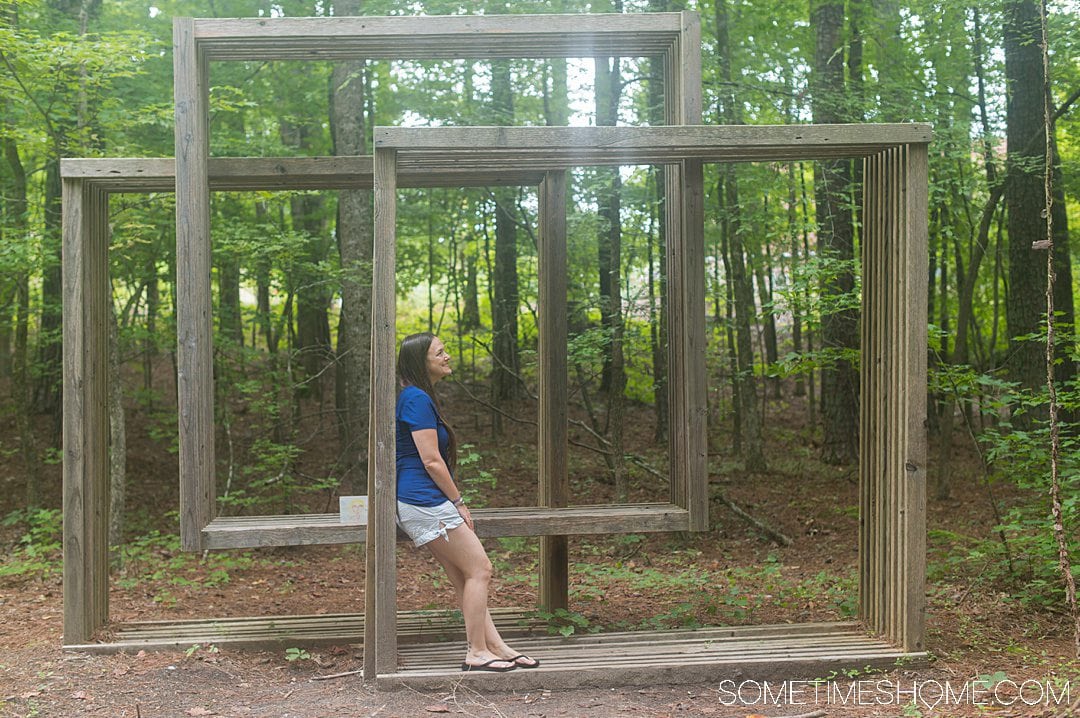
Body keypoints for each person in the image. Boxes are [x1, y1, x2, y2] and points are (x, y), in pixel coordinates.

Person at [395, 332, 540, 673]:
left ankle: (495, 646)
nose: (447, 357)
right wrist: (458, 501)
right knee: (480, 569)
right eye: (440, 352)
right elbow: (431, 460)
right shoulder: (415, 398)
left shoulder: (417, 396)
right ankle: (476, 651)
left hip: (421, 499)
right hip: (424, 501)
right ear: (421, 361)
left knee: (465, 577)